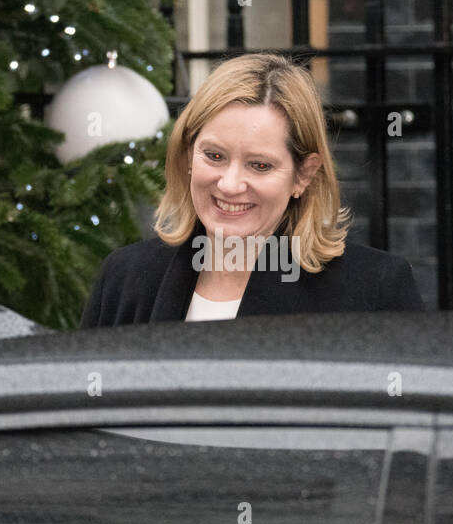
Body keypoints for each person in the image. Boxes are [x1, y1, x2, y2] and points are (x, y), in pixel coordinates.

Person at [80, 53, 425, 326]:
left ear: (303, 175)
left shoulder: (373, 290)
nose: (230, 185)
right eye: (214, 156)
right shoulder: (125, 278)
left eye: (259, 165)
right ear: (188, 155)